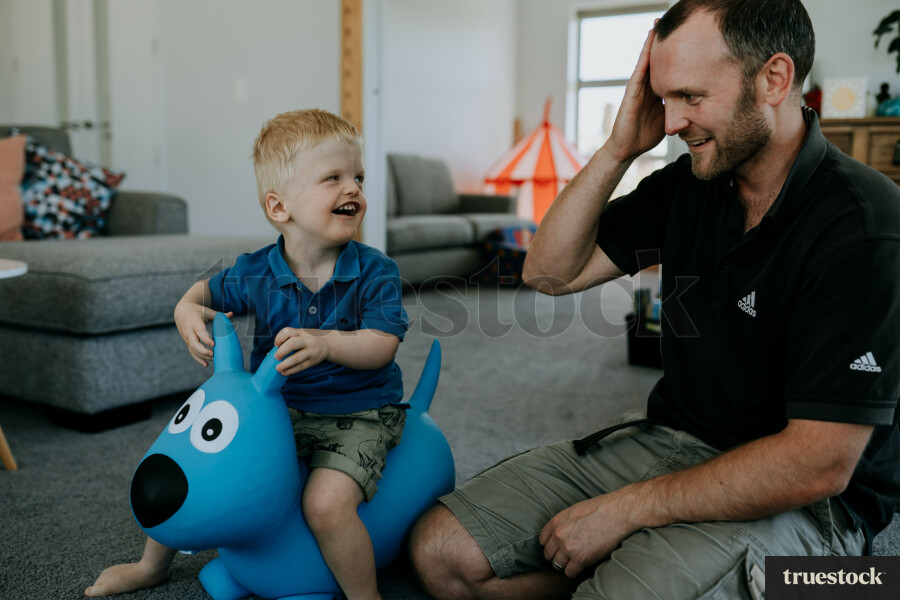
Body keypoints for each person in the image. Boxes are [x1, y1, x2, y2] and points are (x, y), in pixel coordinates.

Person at [409, 1, 900, 598]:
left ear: (774, 79)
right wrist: (619, 149)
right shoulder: (688, 183)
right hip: (672, 442)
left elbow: (819, 464)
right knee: (440, 555)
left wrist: (626, 511)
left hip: (815, 504)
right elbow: (548, 274)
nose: (671, 123)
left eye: (691, 97)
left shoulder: (864, 225)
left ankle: (847, 586)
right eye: (664, 98)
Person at [85, 109, 408, 600]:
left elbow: (382, 347)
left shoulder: (376, 271)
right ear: (280, 208)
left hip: (358, 413)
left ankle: (366, 597)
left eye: (358, 177)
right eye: (333, 178)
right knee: (198, 462)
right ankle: (150, 565)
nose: (354, 189)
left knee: (324, 505)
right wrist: (185, 310)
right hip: (276, 411)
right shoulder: (255, 270)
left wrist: (327, 343)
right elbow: (201, 295)